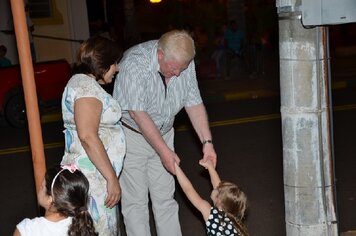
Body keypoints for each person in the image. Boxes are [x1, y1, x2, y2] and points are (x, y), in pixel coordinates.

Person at [113, 29, 217, 236]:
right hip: (133, 136)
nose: (178, 74)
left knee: (165, 199)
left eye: (183, 68)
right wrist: (163, 151)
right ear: (160, 55)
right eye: (173, 68)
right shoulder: (134, 64)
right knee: (136, 203)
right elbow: (138, 113)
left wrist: (207, 143)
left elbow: (194, 103)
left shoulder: (182, 63)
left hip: (165, 133)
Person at [61, 36, 126, 235]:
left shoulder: (84, 84)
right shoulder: (86, 88)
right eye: (115, 63)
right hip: (93, 179)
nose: (117, 68)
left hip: (94, 176)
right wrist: (111, 178)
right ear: (103, 63)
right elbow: (88, 136)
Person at [13, 164, 98, 236]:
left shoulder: (26, 230)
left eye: (42, 187)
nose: (40, 188)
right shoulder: (81, 223)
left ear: (50, 199)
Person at [175, 160, 249, 236]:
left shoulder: (211, 215)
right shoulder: (232, 212)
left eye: (217, 190)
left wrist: (176, 168)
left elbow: (188, 189)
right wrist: (210, 167)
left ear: (219, 202)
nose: (216, 187)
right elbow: (218, 185)